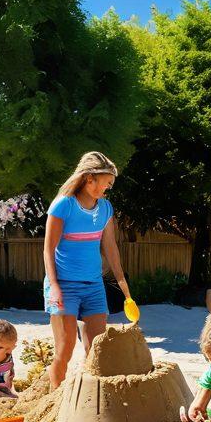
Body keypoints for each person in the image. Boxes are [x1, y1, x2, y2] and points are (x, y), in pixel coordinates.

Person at [43, 152, 131, 389]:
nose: (108, 189)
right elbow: (48, 250)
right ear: (90, 178)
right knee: (66, 347)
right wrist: (55, 287)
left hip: (93, 286)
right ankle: (55, 400)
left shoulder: (105, 209)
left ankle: (87, 399)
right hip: (64, 285)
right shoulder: (64, 205)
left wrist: (122, 282)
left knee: (97, 349)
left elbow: (110, 247)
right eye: (107, 183)